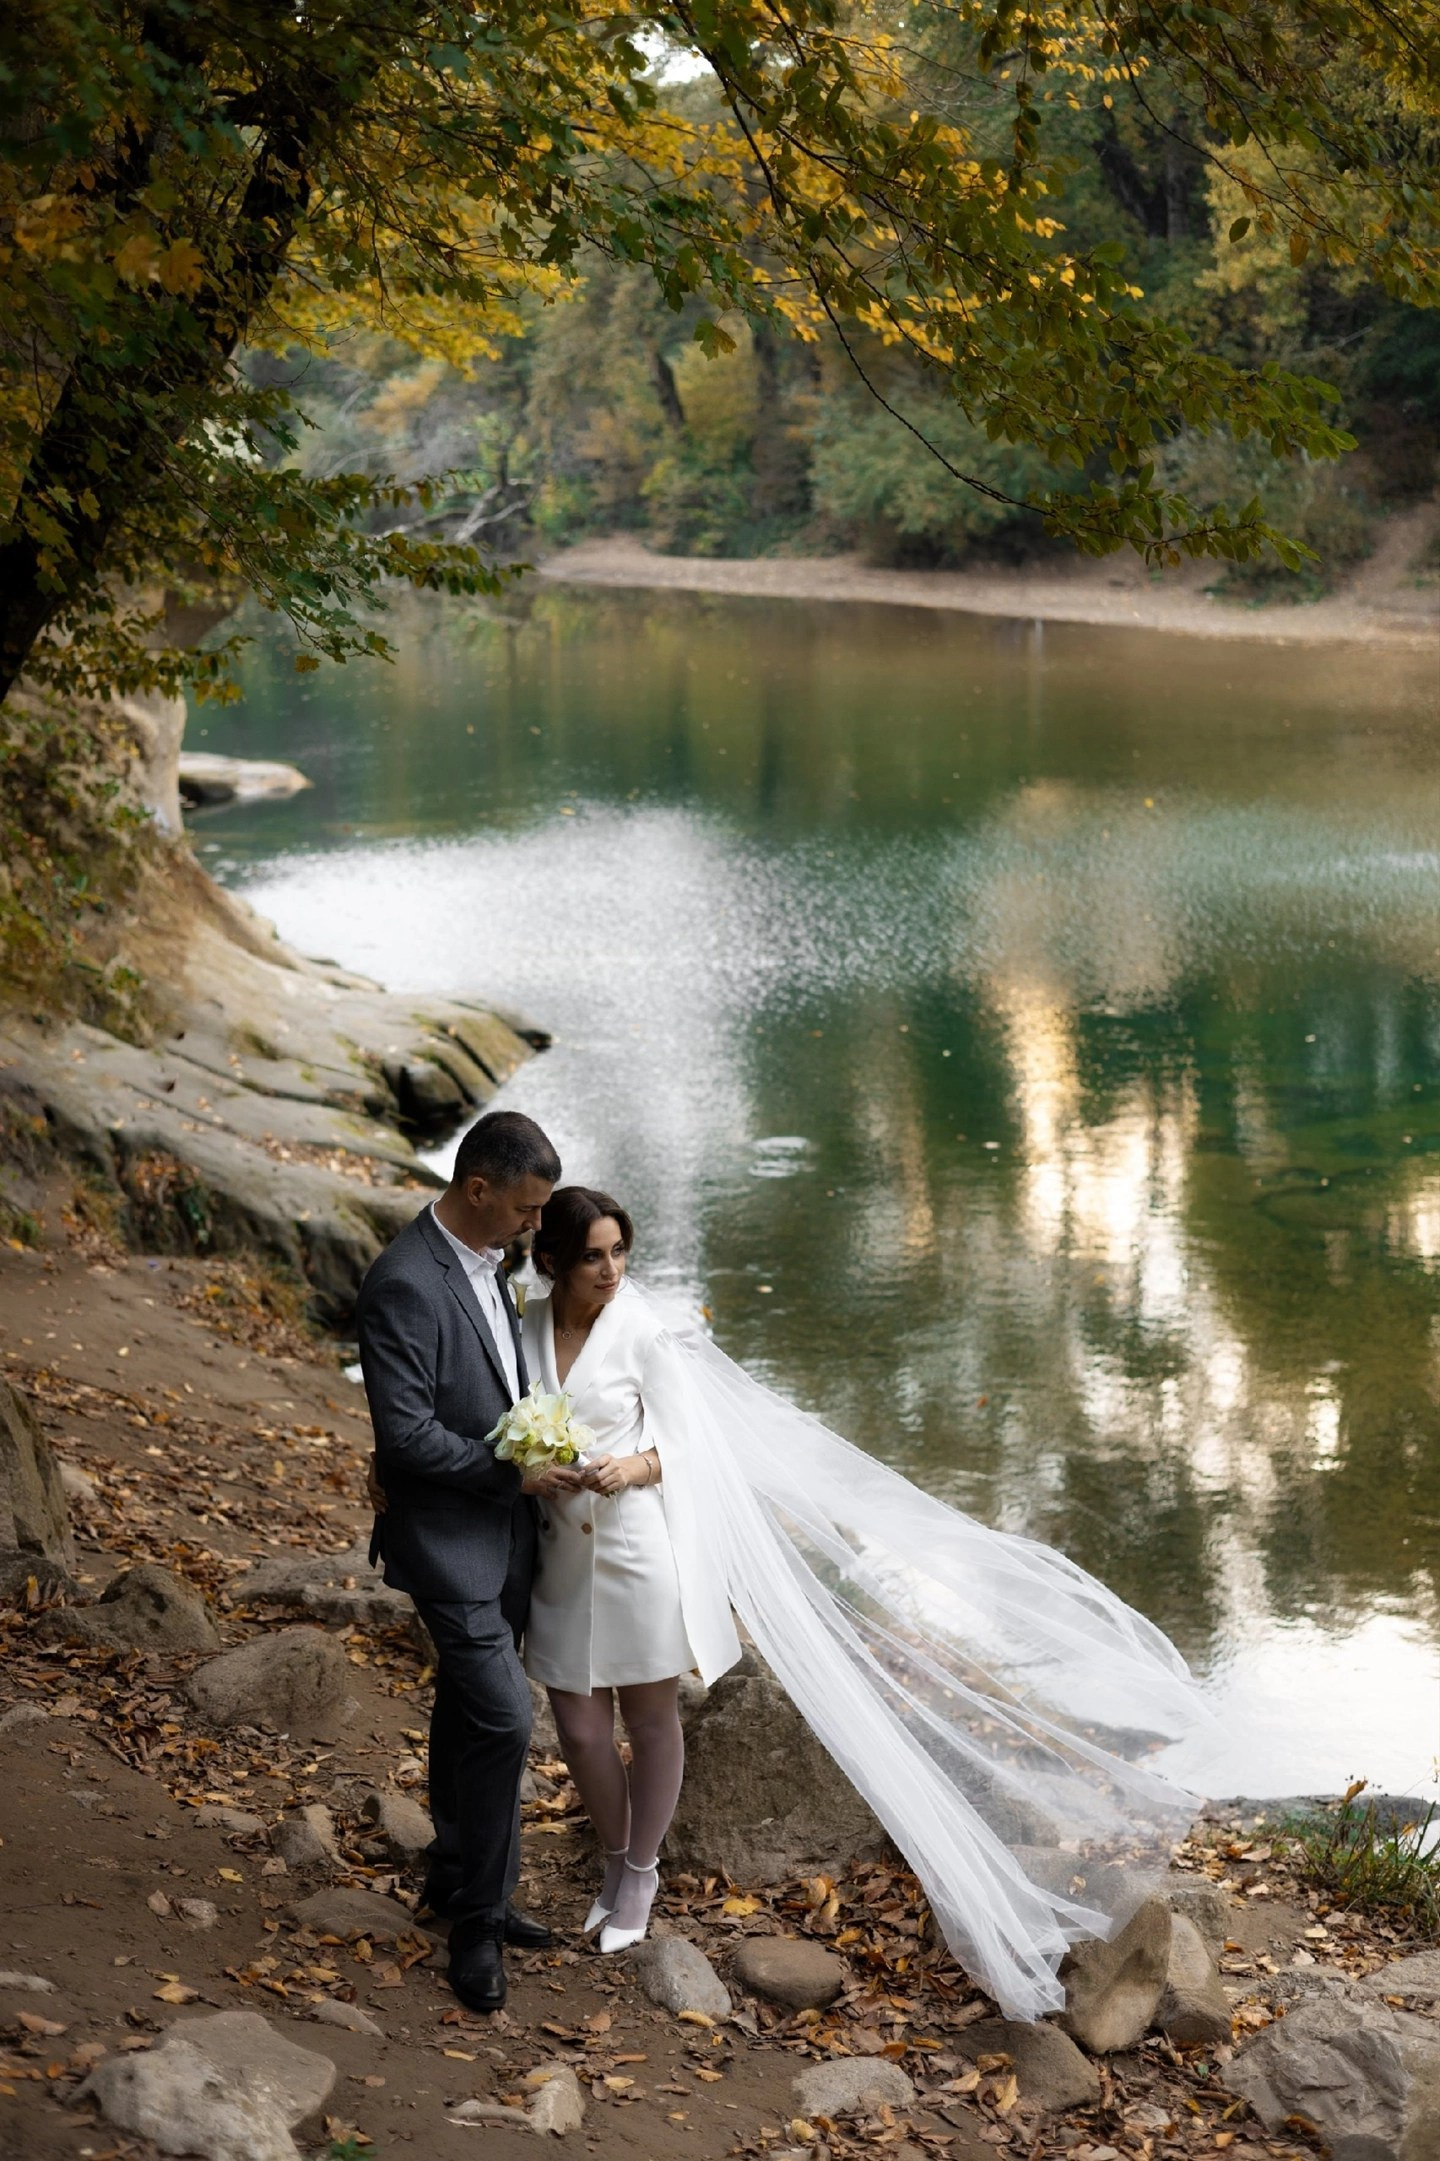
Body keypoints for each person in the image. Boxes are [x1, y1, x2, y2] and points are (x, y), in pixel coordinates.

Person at [516, 1184, 1217, 2019]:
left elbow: (697, 1438)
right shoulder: (522, 1324)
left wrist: (638, 1466)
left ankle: (636, 1872)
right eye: (593, 1254)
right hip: (561, 1556)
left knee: (650, 1716)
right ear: (551, 1257)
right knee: (581, 1728)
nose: (610, 1268)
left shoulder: (644, 1331)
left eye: (619, 1251)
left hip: (638, 1553)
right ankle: (617, 1850)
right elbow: (510, 1418)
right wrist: (524, 1471)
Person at [355, 1109, 583, 2015]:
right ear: (477, 1188)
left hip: (507, 1542)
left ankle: (453, 1873)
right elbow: (405, 1437)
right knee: (502, 1717)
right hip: (449, 1541)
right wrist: (511, 1470)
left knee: (462, 1708)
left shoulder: (495, 1267)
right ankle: (479, 1924)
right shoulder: (404, 1282)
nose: (536, 1227)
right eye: (525, 1210)